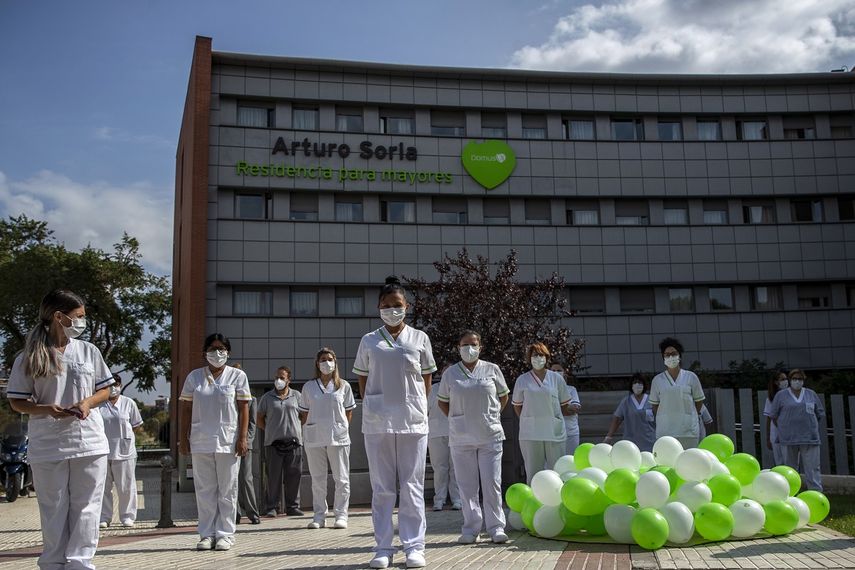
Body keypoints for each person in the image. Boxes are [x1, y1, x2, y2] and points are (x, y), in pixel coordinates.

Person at [7, 289, 115, 570]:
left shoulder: (89, 351)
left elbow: (106, 389)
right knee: (53, 506)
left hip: (89, 440)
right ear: (59, 317)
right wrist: (47, 409)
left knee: (87, 505)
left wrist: (88, 402)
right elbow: (17, 401)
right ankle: (53, 562)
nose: (82, 322)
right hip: (48, 443)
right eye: (78, 317)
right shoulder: (29, 356)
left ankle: (80, 561)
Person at [353, 276, 437, 569]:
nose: (392, 310)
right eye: (387, 306)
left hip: (413, 421)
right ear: (379, 307)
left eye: (397, 305)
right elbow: (362, 380)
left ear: (407, 306)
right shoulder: (369, 340)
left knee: (412, 485)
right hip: (378, 423)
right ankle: (384, 548)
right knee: (383, 487)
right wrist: (376, 405)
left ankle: (415, 546)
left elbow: (426, 380)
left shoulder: (420, 338)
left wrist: (415, 404)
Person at [178, 333, 251, 551]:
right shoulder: (194, 377)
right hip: (201, 440)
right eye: (212, 348)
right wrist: (183, 437)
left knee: (227, 489)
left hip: (228, 441)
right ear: (204, 352)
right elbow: (186, 409)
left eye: (221, 349)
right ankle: (206, 533)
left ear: (228, 352)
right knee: (205, 490)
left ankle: (225, 534)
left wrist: (243, 437)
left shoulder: (237, 376)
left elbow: (244, 407)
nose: (217, 353)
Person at [438, 330, 510, 545]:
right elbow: (443, 402)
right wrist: (457, 418)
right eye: (464, 344)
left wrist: (491, 415)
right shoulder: (451, 373)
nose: (469, 348)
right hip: (461, 438)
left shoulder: (492, 369)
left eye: (473, 344)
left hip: (490, 435)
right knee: (467, 487)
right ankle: (471, 529)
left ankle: (496, 527)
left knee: (492, 484)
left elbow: (503, 397)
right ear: (458, 348)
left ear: (480, 347)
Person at [299, 347, 356, 530]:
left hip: (338, 437)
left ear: (335, 362)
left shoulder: (343, 386)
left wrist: (342, 427)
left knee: (341, 478)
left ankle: (341, 515)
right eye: (323, 359)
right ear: (317, 363)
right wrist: (307, 431)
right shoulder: (309, 386)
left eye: (330, 359)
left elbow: (349, 412)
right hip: (314, 437)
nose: (326, 363)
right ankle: (319, 516)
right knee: (318, 479)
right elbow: (304, 413)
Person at [512, 342, 573, 484]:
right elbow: (517, 406)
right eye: (534, 355)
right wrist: (527, 420)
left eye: (541, 355)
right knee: (533, 473)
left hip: (554, 431)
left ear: (546, 357)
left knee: (557, 472)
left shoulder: (556, 378)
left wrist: (557, 417)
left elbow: (565, 405)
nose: (538, 358)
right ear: (529, 358)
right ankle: (534, 504)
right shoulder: (522, 379)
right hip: (531, 433)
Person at [257, 365, 304, 517]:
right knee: (273, 477)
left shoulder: (297, 396)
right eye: (276, 377)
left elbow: (304, 416)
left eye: (282, 378)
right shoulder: (267, 398)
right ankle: (272, 507)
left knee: (294, 476)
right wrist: (271, 430)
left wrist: (294, 428)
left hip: (294, 443)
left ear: (288, 380)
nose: (278, 380)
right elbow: (259, 419)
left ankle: (292, 506)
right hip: (273, 444)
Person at [99, 374, 143, 529]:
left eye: (116, 384)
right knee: (103, 487)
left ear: (120, 385)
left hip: (124, 451)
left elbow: (136, 426)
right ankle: (104, 517)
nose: (113, 387)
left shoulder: (128, 403)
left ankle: (127, 516)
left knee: (126, 486)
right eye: (109, 384)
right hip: (103, 451)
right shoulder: (99, 404)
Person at [769, 369, 825, 491]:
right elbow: (773, 415)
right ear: (790, 380)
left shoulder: (811, 394)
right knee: (790, 470)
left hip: (809, 437)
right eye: (794, 378)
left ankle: (816, 493)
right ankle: (791, 493)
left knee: (813, 468)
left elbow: (819, 413)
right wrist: (784, 428)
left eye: (800, 379)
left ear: (804, 380)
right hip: (788, 438)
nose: (797, 381)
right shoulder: (781, 395)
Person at [649, 337, 705, 448]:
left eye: (673, 353)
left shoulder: (691, 377)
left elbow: (699, 401)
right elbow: (655, 406)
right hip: (665, 432)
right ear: (663, 357)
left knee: (689, 461)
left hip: (688, 431)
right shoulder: (657, 380)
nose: (670, 357)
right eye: (667, 354)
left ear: (679, 355)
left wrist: (689, 416)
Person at [427, 371, 461, 512]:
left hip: (456, 432)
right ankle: (439, 500)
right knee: (439, 468)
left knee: (455, 468)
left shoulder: (458, 387)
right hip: (436, 433)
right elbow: (426, 410)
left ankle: (457, 499)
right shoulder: (433, 389)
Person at [604, 374, 656, 452]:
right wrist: (609, 436)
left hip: (650, 442)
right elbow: (617, 419)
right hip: (631, 443)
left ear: (644, 385)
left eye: (640, 382)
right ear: (631, 385)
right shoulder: (626, 402)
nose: (637, 385)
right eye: (635, 382)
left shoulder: (651, 400)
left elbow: (659, 417)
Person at [236, 394, 260, 525]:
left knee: (246, 478)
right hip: (228, 444)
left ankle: (253, 513)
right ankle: (235, 514)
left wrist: (247, 441)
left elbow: (252, 423)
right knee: (231, 480)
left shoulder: (252, 399)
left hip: (245, 444)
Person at [550, 363, 582, 455]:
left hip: (571, 432)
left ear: (564, 373)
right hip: (552, 434)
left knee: (571, 461)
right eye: (553, 370)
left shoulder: (571, 390)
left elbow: (575, 408)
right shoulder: (545, 391)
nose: (556, 372)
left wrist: (555, 408)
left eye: (559, 370)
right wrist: (566, 407)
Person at [763, 370, 789, 467]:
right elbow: (769, 419)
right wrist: (768, 438)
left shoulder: (791, 396)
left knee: (791, 461)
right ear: (776, 382)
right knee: (779, 462)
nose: (785, 381)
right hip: (776, 432)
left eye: (786, 379)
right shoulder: (771, 399)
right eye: (782, 379)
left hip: (790, 433)